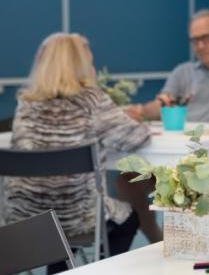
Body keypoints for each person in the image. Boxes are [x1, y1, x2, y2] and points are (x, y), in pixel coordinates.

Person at [3, 33, 152, 273]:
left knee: (56, 206)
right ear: (81, 64)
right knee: (128, 217)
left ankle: (61, 269)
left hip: (25, 220)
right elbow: (137, 137)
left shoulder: (26, 104)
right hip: (78, 219)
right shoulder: (91, 100)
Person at [129, 9, 209, 123]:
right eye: (195, 40)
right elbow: (162, 106)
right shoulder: (182, 72)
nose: (200, 46)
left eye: (207, 38)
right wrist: (141, 111)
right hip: (181, 144)